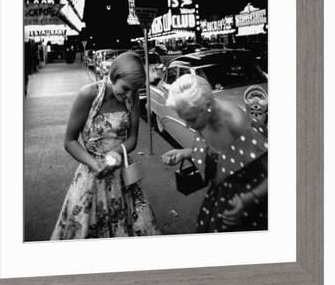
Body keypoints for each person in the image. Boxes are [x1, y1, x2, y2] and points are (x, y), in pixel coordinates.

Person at [51, 51, 159, 239]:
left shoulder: (131, 98)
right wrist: (95, 165)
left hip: (123, 175)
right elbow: (69, 141)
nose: (128, 95)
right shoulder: (88, 95)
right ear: (113, 75)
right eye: (125, 88)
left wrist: (117, 152)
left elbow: (132, 139)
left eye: (133, 91)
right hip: (91, 174)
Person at [161, 74, 267, 233]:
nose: (187, 125)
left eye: (191, 119)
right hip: (220, 199)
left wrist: (248, 198)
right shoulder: (204, 116)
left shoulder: (237, 123)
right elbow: (221, 155)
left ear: (208, 105)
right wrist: (185, 153)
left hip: (247, 209)